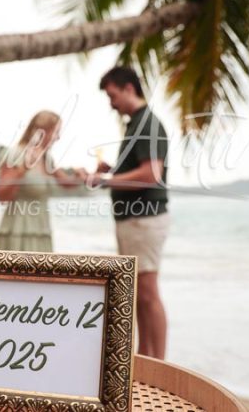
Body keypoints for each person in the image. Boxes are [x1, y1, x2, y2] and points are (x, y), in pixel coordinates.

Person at [87, 66, 170, 359]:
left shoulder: (146, 123)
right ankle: (145, 360)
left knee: (147, 294)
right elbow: (137, 171)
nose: (111, 103)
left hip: (143, 219)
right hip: (134, 220)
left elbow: (150, 175)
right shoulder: (136, 124)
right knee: (139, 295)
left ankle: (158, 364)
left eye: (112, 96)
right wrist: (112, 170)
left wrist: (105, 180)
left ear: (128, 89)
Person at [0, 110, 83, 252]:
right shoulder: (16, 154)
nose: (58, 137)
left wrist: (83, 176)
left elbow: (66, 183)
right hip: (19, 229)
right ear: (42, 132)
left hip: (41, 228)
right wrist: (23, 168)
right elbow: (2, 196)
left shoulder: (46, 158)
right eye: (56, 132)